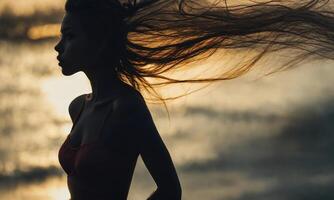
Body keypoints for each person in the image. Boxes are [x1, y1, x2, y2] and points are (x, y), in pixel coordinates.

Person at [55, 0, 334, 199]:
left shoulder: (126, 107)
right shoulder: (78, 106)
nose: (59, 46)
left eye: (69, 36)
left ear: (99, 41)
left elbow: (170, 190)